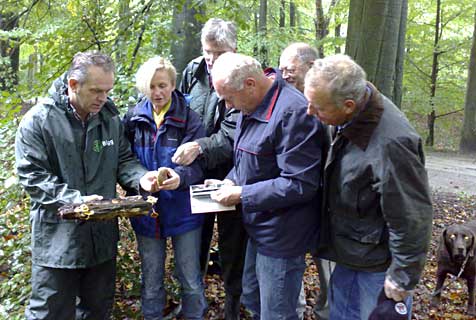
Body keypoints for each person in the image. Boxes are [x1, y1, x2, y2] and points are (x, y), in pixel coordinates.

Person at [15, 51, 160, 319]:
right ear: (73, 84)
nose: (103, 98)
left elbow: (124, 160)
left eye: (107, 90)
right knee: (49, 313)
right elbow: (32, 176)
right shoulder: (39, 121)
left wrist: (141, 178)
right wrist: (75, 200)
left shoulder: (109, 118)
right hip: (56, 242)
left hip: (101, 241)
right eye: (96, 91)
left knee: (97, 311)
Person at [303, 54, 433, 320]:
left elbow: (411, 216)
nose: (310, 113)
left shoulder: (392, 143)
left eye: (318, 108)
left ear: (349, 105)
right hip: (350, 253)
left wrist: (402, 276)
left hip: (378, 268)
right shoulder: (346, 118)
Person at [208, 52, 327, 320]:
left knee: (277, 312)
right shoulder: (250, 105)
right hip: (258, 226)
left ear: (250, 84)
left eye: (229, 97)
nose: (227, 106)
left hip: (283, 234)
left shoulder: (293, 113)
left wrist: (242, 193)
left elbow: (300, 183)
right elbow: (248, 157)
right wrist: (230, 180)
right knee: (252, 295)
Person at [172, 18, 246, 319]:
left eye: (219, 52)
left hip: (231, 174)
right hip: (196, 174)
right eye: (207, 51)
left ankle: (232, 306)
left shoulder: (244, 76)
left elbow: (233, 135)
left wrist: (200, 147)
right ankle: (192, 302)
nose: (212, 59)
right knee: (195, 241)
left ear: (234, 49)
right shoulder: (193, 70)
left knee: (232, 245)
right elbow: (181, 111)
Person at [123, 56, 207, 320]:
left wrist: (180, 177)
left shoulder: (190, 119)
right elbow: (125, 161)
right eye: (151, 86)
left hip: (184, 211)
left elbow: (200, 165)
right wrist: (140, 179)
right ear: (143, 88)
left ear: (173, 85)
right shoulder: (134, 118)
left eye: (162, 85)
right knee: (150, 278)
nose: (157, 92)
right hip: (147, 211)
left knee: (190, 277)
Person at [279, 42, 334, 320]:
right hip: (295, 206)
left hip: (327, 206)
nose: (284, 75)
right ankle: (295, 312)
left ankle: (327, 312)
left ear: (311, 67)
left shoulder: (329, 105)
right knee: (289, 268)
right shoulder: (282, 104)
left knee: (328, 270)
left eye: (290, 69)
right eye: (281, 70)